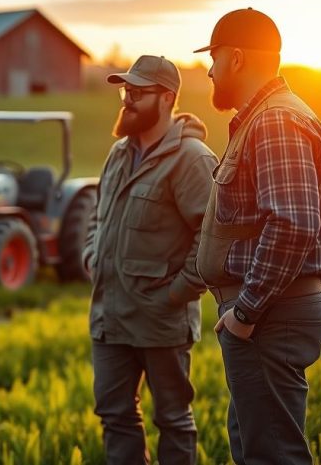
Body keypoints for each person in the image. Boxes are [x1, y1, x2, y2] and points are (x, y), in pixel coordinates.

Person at [194, 8, 321, 465]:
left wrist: (247, 311)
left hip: (269, 315)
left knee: (272, 454)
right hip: (268, 315)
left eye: (213, 58)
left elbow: (293, 222)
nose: (209, 69)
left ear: (236, 59)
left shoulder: (275, 122)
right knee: (256, 445)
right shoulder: (264, 118)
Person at [82, 55, 218, 464]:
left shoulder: (192, 159)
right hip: (109, 318)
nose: (127, 100)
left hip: (162, 320)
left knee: (173, 420)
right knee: (115, 416)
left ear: (167, 98)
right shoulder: (118, 154)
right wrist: (92, 253)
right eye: (126, 92)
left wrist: (177, 294)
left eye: (139, 93)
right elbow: (98, 214)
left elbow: (212, 239)